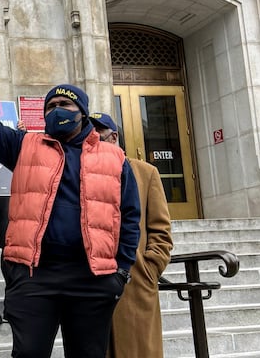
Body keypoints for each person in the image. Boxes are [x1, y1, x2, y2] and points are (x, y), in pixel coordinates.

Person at [0, 51, 141, 358]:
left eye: (65, 105)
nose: (56, 110)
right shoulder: (25, 145)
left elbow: (129, 215)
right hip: (35, 276)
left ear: (82, 112)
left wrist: (121, 272)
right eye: (50, 106)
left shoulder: (114, 157)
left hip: (92, 278)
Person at [90, 112, 173, 358]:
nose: (91, 145)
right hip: (95, 281)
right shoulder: (85, 172)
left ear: (113, 137)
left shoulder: (146, 173)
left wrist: (150, 267)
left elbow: (161, 229)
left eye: (97, 138)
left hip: (136, 281)